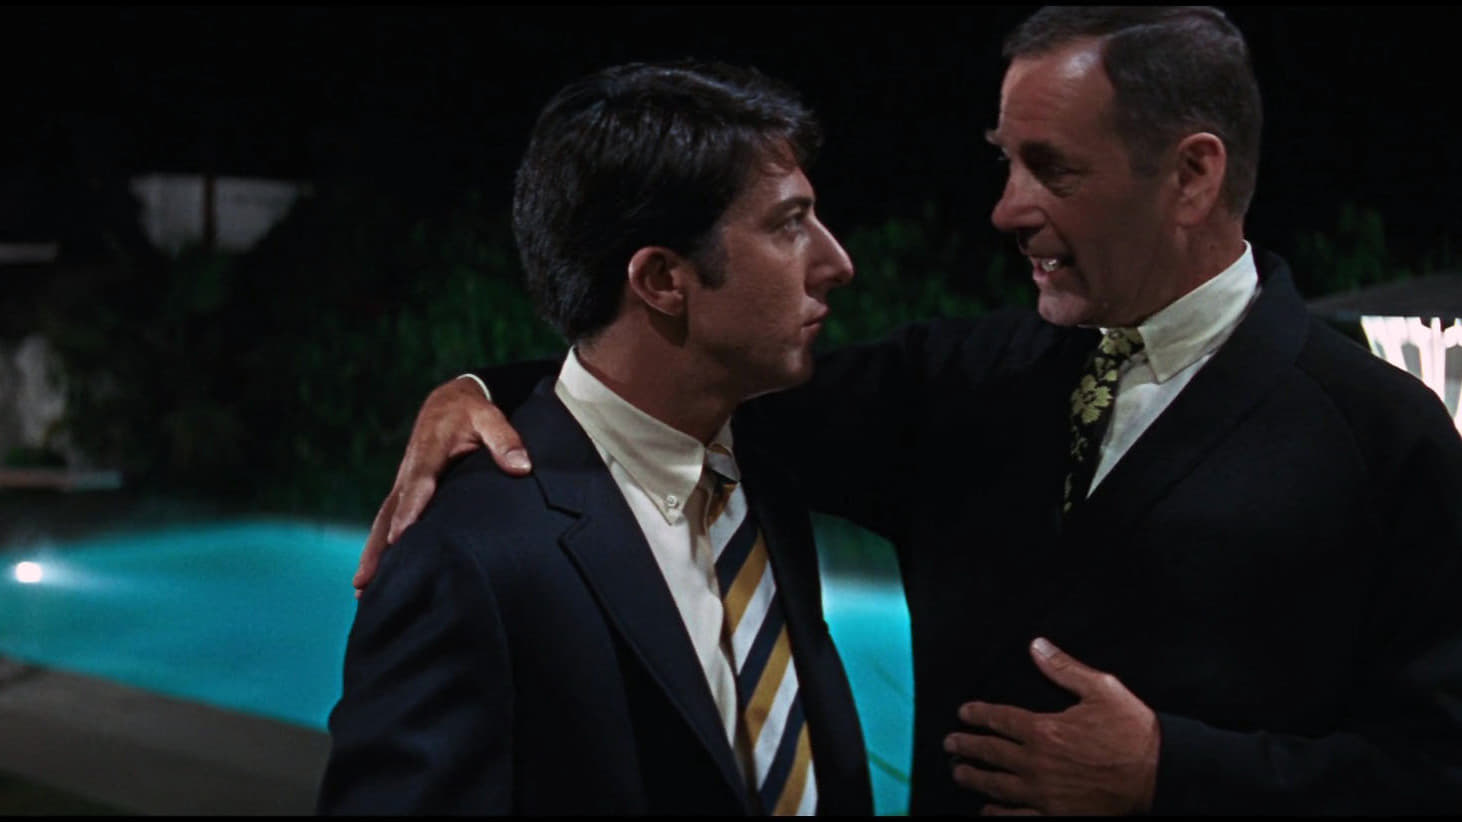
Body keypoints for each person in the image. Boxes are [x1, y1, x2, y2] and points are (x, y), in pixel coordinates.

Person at [353, 7, 1462, 815]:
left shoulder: (1386, 439)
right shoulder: (961, 383)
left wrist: (1175, 772)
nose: (1006, 209)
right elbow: (662, 376)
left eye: (1051, 170)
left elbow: (1437, 771)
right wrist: (482, 390)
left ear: (1192, 176)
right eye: (1004, 162)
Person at [316, 59, 872, 815]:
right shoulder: (467, 556)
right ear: (662, 279)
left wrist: (472, 383)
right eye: (789, 225)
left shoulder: (759, 470)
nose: (836, 263)